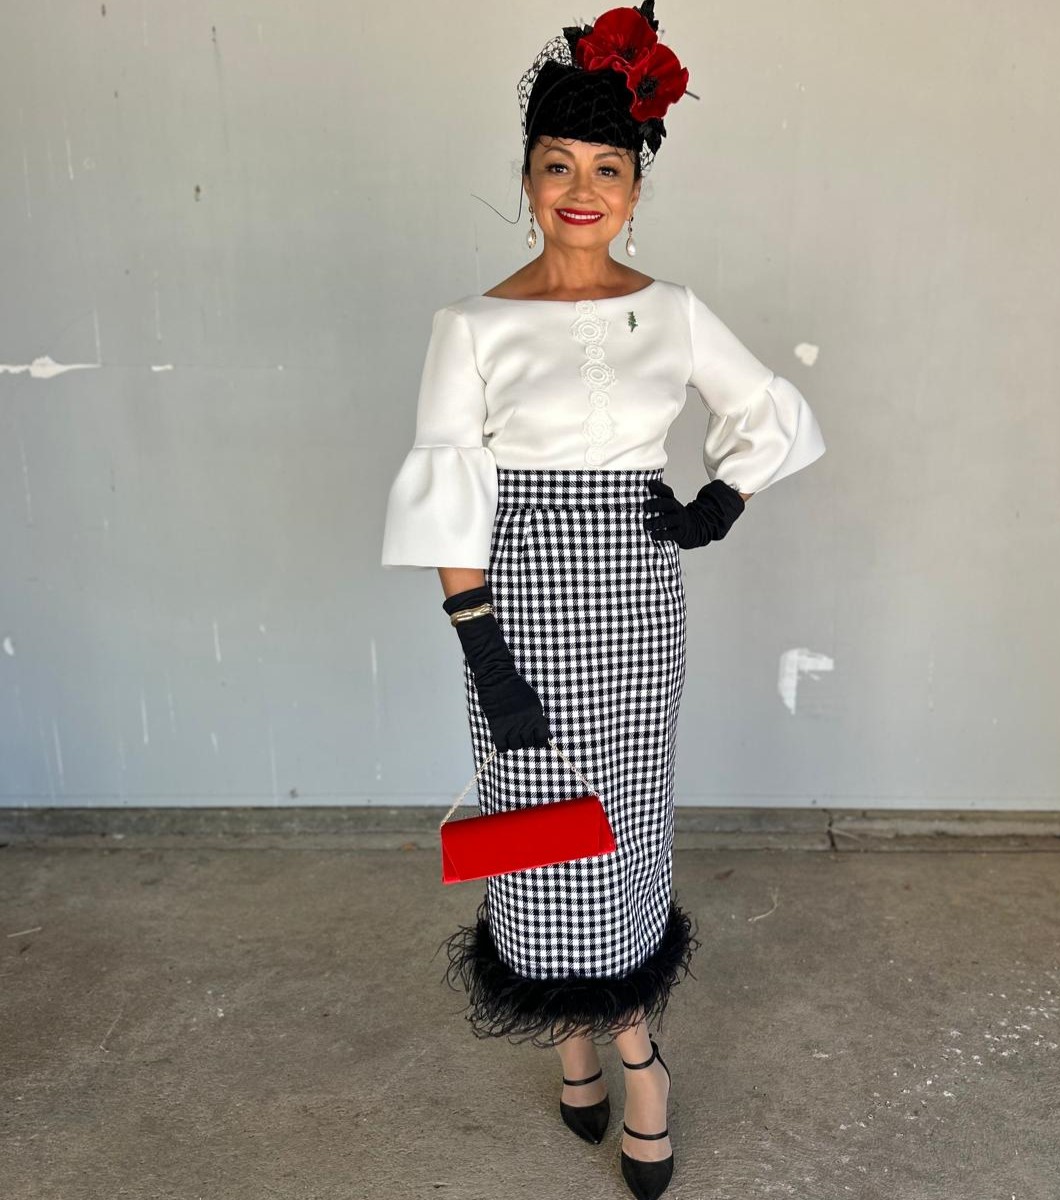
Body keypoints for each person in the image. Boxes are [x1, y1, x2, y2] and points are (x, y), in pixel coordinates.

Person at [380, 4, 826, 1197]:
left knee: (618, 827)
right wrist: (481, 648)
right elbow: (450, 491)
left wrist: (718, 502)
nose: (582, 191)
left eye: (607, 169)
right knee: (537, 826)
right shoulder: (472, 326)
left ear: (636, 186)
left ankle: (634, 1058)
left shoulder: (670, 312)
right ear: (527, 177)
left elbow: (766, 412)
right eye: (558, 166)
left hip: (632, 603)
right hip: (515, 604)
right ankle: (572, 1036)